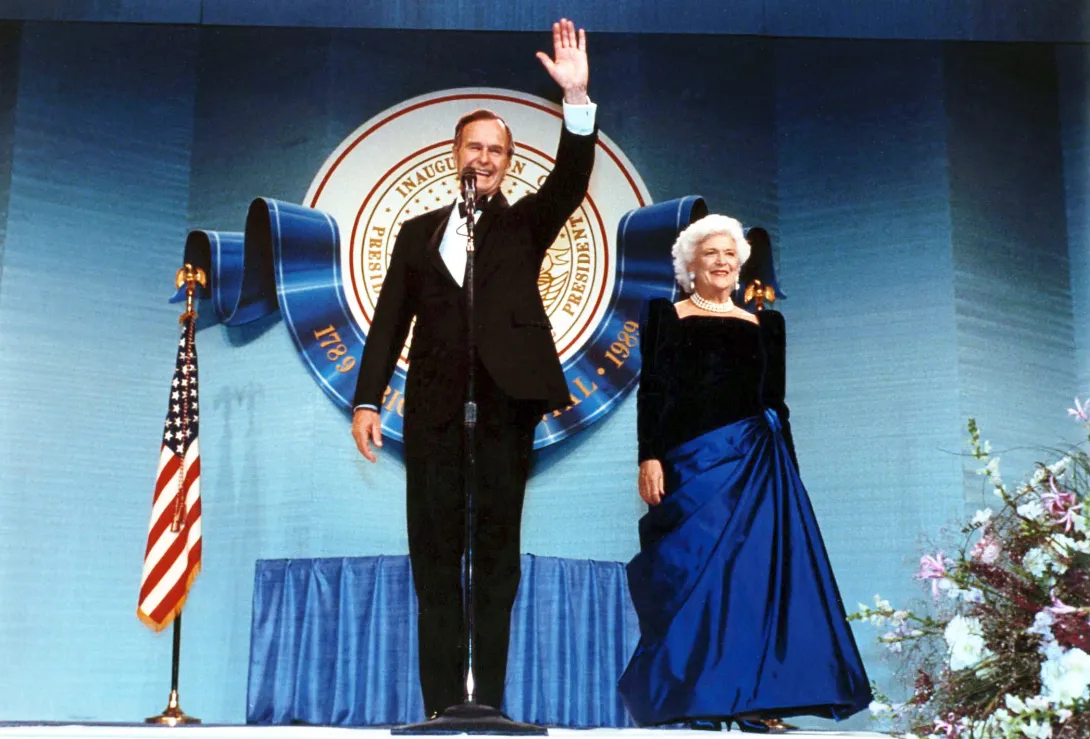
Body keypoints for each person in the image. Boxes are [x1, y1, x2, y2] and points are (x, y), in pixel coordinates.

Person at [350, 19, 597, 719]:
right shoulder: (414, 232)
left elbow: (573, 177)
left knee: (495, 557)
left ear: (505, 163)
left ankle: (486, 703)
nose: (484, 157)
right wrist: (368, 400)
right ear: (454, 153)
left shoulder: (524, 223)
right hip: (430, 411)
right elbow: (388, 322)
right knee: (434, 560)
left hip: (503, 409)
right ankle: (437, 709)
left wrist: (576, 98)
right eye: (474, 146)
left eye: (496, 150)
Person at [617, 215, 872, 733]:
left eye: (729, 253)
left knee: (759, 584)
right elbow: (655, 392)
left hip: (759, 465)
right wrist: (649, 457)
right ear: (690, 264)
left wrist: (790, 479)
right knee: (694, 583)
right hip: (693, 466)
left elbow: (775, 402)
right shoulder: (666, 315)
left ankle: (758, 702)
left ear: (739, 264)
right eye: (710, 252)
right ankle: (696, 700)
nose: (721, 261)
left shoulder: (767, 324)